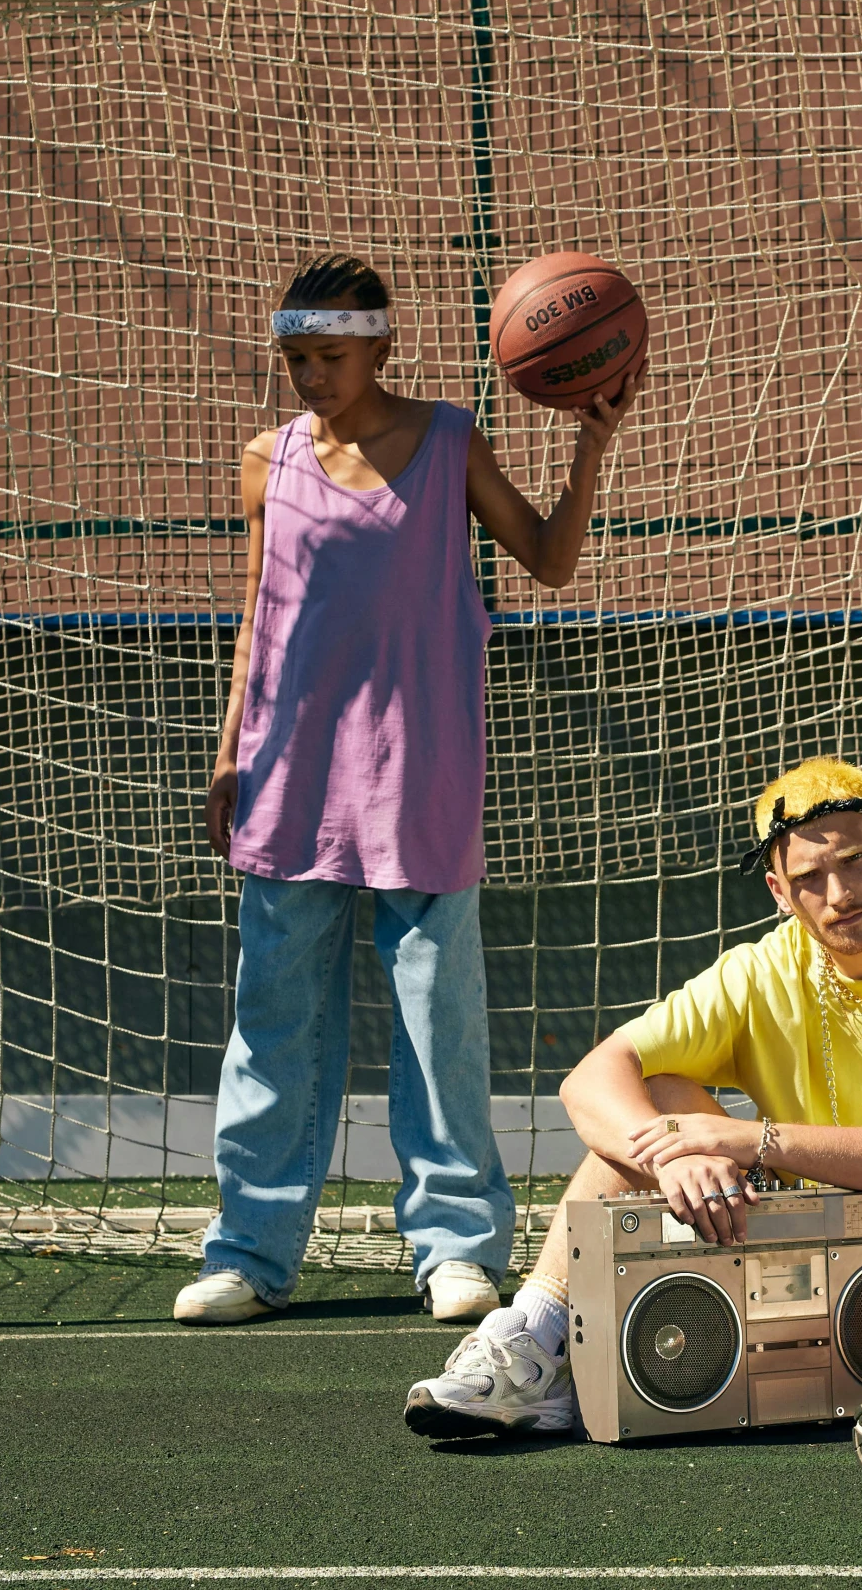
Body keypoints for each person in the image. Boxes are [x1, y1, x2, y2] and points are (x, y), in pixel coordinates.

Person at [401, 757, 862, 1487]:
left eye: (856, 860)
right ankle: (533, 1348)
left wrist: (755, 1139)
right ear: (779, 891)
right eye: (808, 878)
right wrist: (673, 1154)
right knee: (656, 1100)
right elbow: (591, 1076)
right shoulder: (761, 970)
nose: (838, 894)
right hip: (806, 1260)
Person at [173, 254, 642, 1327]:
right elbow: (259, 616)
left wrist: (590, 444)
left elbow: (549, 560)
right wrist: (226, 748)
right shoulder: (267, 458)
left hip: (417, 767)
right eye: (294, 358)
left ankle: (456, 1246)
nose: (309, 376)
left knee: (438, 1023)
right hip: (289, 774)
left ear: (382, 347)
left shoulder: (446, 441)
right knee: (273, 1022)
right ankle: (249, 1250)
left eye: (329, 356)